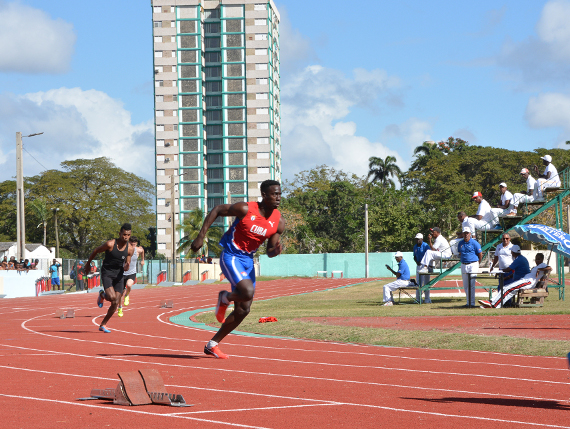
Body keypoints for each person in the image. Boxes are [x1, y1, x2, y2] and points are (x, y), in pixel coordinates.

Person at [191, 180, 285, 359]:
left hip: (248, 260)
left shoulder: (278, 222)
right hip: (231, 255)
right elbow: (218, 209)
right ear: (264, 195)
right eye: (274, 194)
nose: (278, 197)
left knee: (243, 310)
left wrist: (276, 251)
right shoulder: (245, 209)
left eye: (280, 194)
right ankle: (224, 297)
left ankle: (212, 344)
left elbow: (270, 252)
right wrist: (200, 236)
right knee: (247, 291)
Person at [84, 223, 134, 333]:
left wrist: (127, 265)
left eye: (128, 235)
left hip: (119, 275)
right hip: (107, 273)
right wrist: (88, 264)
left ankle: (103, 324)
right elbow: (96, 250)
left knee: (116, 302)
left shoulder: (130, 249)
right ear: (120, 233)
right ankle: (102, 294)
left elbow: (127, 262)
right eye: (124, 234)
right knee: (111, 297)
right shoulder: (110, 244)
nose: (126, 237)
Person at [479, 253, 551, 308]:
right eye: (536, 259)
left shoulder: (542, 265)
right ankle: (491, 302)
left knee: (509, 288)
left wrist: (539, 269)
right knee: (506, 288)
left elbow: (549, 268)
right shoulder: (536, 266)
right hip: (524, 280)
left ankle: (494, 304)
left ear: (542, 259)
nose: (537, 261)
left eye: (539, 259)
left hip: (528, 282)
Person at [118, 236, 145, 317]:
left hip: (132, 273)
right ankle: (120, 308)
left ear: (136, 244)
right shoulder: (124, 249)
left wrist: (142, 260)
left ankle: (127, 295)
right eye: (131, 244)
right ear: (128, 243)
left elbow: (142, 250)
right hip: (122, 273)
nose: (133, 246)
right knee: (120, 293)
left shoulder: (138, 250)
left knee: (129, 285)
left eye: (134, 244)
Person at [457, 226, 482, 307]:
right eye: (464, 233)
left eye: (467, 233)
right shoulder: (460, 243)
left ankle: (472, 303)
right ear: (463, 234)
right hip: (464, 264)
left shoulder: (475, 243)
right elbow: (460, 253)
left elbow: (480, 254)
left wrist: (478, 263)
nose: (466, 234)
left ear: (470, 234)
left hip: (473, 264)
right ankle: (468, 302)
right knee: (465, 285)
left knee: (471, 284)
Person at [413, 233, 431, 303]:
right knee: (418, 282)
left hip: (425, 266)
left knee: (426, 282)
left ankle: (427, 298)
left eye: (418, 239)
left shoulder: (426, 246)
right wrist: (416, 261)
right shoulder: (415, 247)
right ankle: (418, 298)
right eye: (416, 239)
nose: (417, 241)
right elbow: (414, 256)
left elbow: (429, 255)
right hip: (419, 265)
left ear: (422, 239)